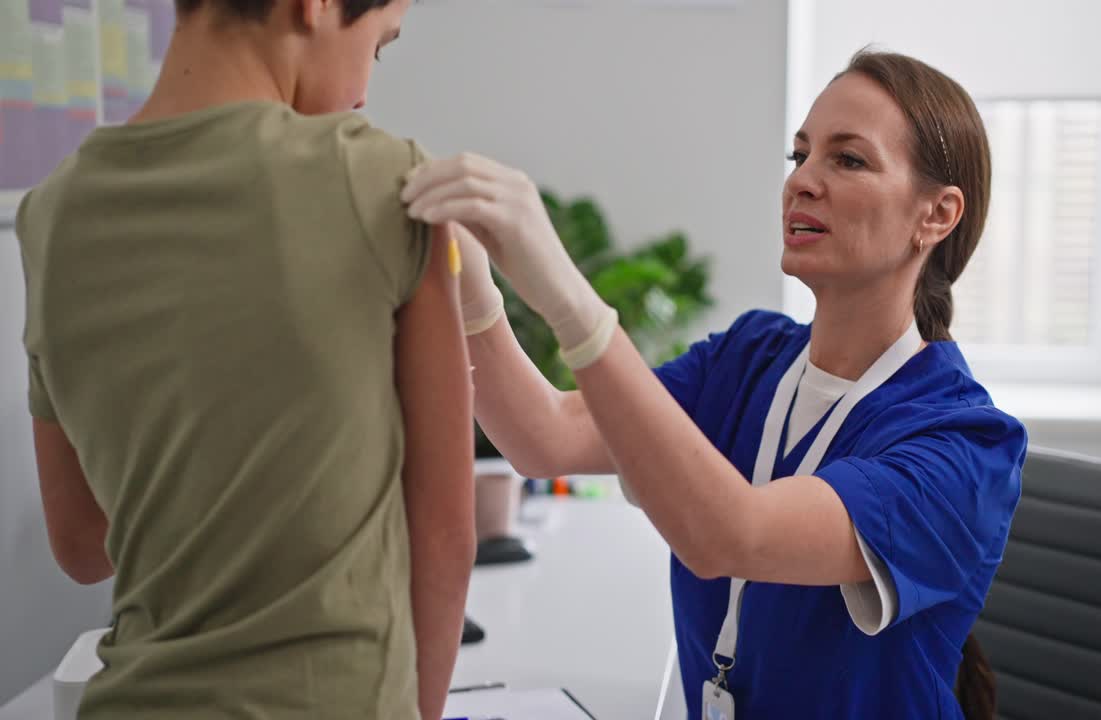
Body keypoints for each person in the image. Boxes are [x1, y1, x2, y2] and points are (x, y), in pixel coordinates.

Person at [401, 49, 1026, 719]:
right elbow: (544, 435)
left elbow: (734, 536)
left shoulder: (967, 447)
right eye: (800, 156)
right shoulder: (749, 357)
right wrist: (469, 288)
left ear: (937, 215)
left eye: (847, 160)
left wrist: (565, 295)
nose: (802, 182)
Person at [15, 0, 475, 717]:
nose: (365, 90)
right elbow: (444, 531)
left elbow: (80, 544)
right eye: (377, 47)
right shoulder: (382, 178)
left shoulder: (50, 214)